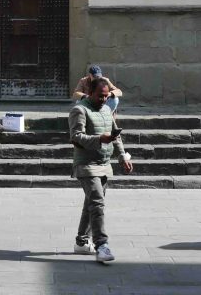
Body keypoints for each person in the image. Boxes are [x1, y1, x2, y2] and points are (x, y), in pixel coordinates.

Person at [69, 77, 133, 263]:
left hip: (104, 163)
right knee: (97, 202)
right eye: (100, 96)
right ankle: (102, 245)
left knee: (91, 203)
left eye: (106, 96)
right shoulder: (79, 110)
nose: (104, 99)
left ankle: (81, 242)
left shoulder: (107, 110)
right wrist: (99, 139)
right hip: (85, 164)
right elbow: (76, 137)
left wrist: (122, 157)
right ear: (90, 93)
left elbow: (116, 136)